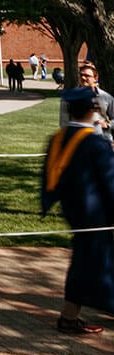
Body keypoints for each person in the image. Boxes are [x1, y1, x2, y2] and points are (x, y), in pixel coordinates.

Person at [41, 86, 114, 335]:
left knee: (86, 260)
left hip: (73, 211)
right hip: (97, 214)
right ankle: (69, 317)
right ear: (93, 110)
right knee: (91, 263)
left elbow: (49, 177)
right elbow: (110, 183)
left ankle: (71, 315)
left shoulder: (58, 138)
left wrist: (47, 202)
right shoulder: (95, 143)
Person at [60, 62, 114, 143]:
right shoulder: (70, 97)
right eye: (81, 75)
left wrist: (107, 125)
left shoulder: (106, 97)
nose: (83, 78)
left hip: (103, 140)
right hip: (78, 142)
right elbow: (63, 122)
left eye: (87, 76)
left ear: (95, 78)